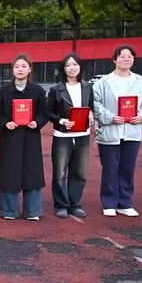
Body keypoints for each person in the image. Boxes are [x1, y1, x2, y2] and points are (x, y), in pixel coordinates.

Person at [92, 45, 142, 217]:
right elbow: (95, 104)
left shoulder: (140, 81)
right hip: (110, 131)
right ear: (114, 59)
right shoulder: (103, 82)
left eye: (129, 56)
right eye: (122, 56)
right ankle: (109, 202)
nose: (126, 59)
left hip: (132, 132)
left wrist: (141, 116)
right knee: (110, 168)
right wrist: (110, 117)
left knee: (127, 168)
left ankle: (125, 203)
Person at [0, 54, 48, 221]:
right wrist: (5, 123)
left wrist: (37, 122)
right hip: (10, 138)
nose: (20, 69)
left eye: (24, 66)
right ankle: (9, 210)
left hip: (31, 137)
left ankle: (33, 211)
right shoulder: (4, 91)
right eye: (17, 66)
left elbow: (44, 112)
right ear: (13, 70)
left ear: (29, 69)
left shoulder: (37, 91)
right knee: (9, 171)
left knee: (32, 171)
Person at [47, 53, 94, 218]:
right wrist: (62, 121)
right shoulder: (56, 89)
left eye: (74, 64)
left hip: (83, 135)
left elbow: (91, 107)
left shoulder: (88, 87)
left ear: (80, 67)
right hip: (62, 135)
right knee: (60, 172)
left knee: (80, 172)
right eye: (68, 65)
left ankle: (75, 204)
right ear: (63, 69)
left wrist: (91, 115)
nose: (71, 68)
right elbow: (49, 113)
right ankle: (61, 204)